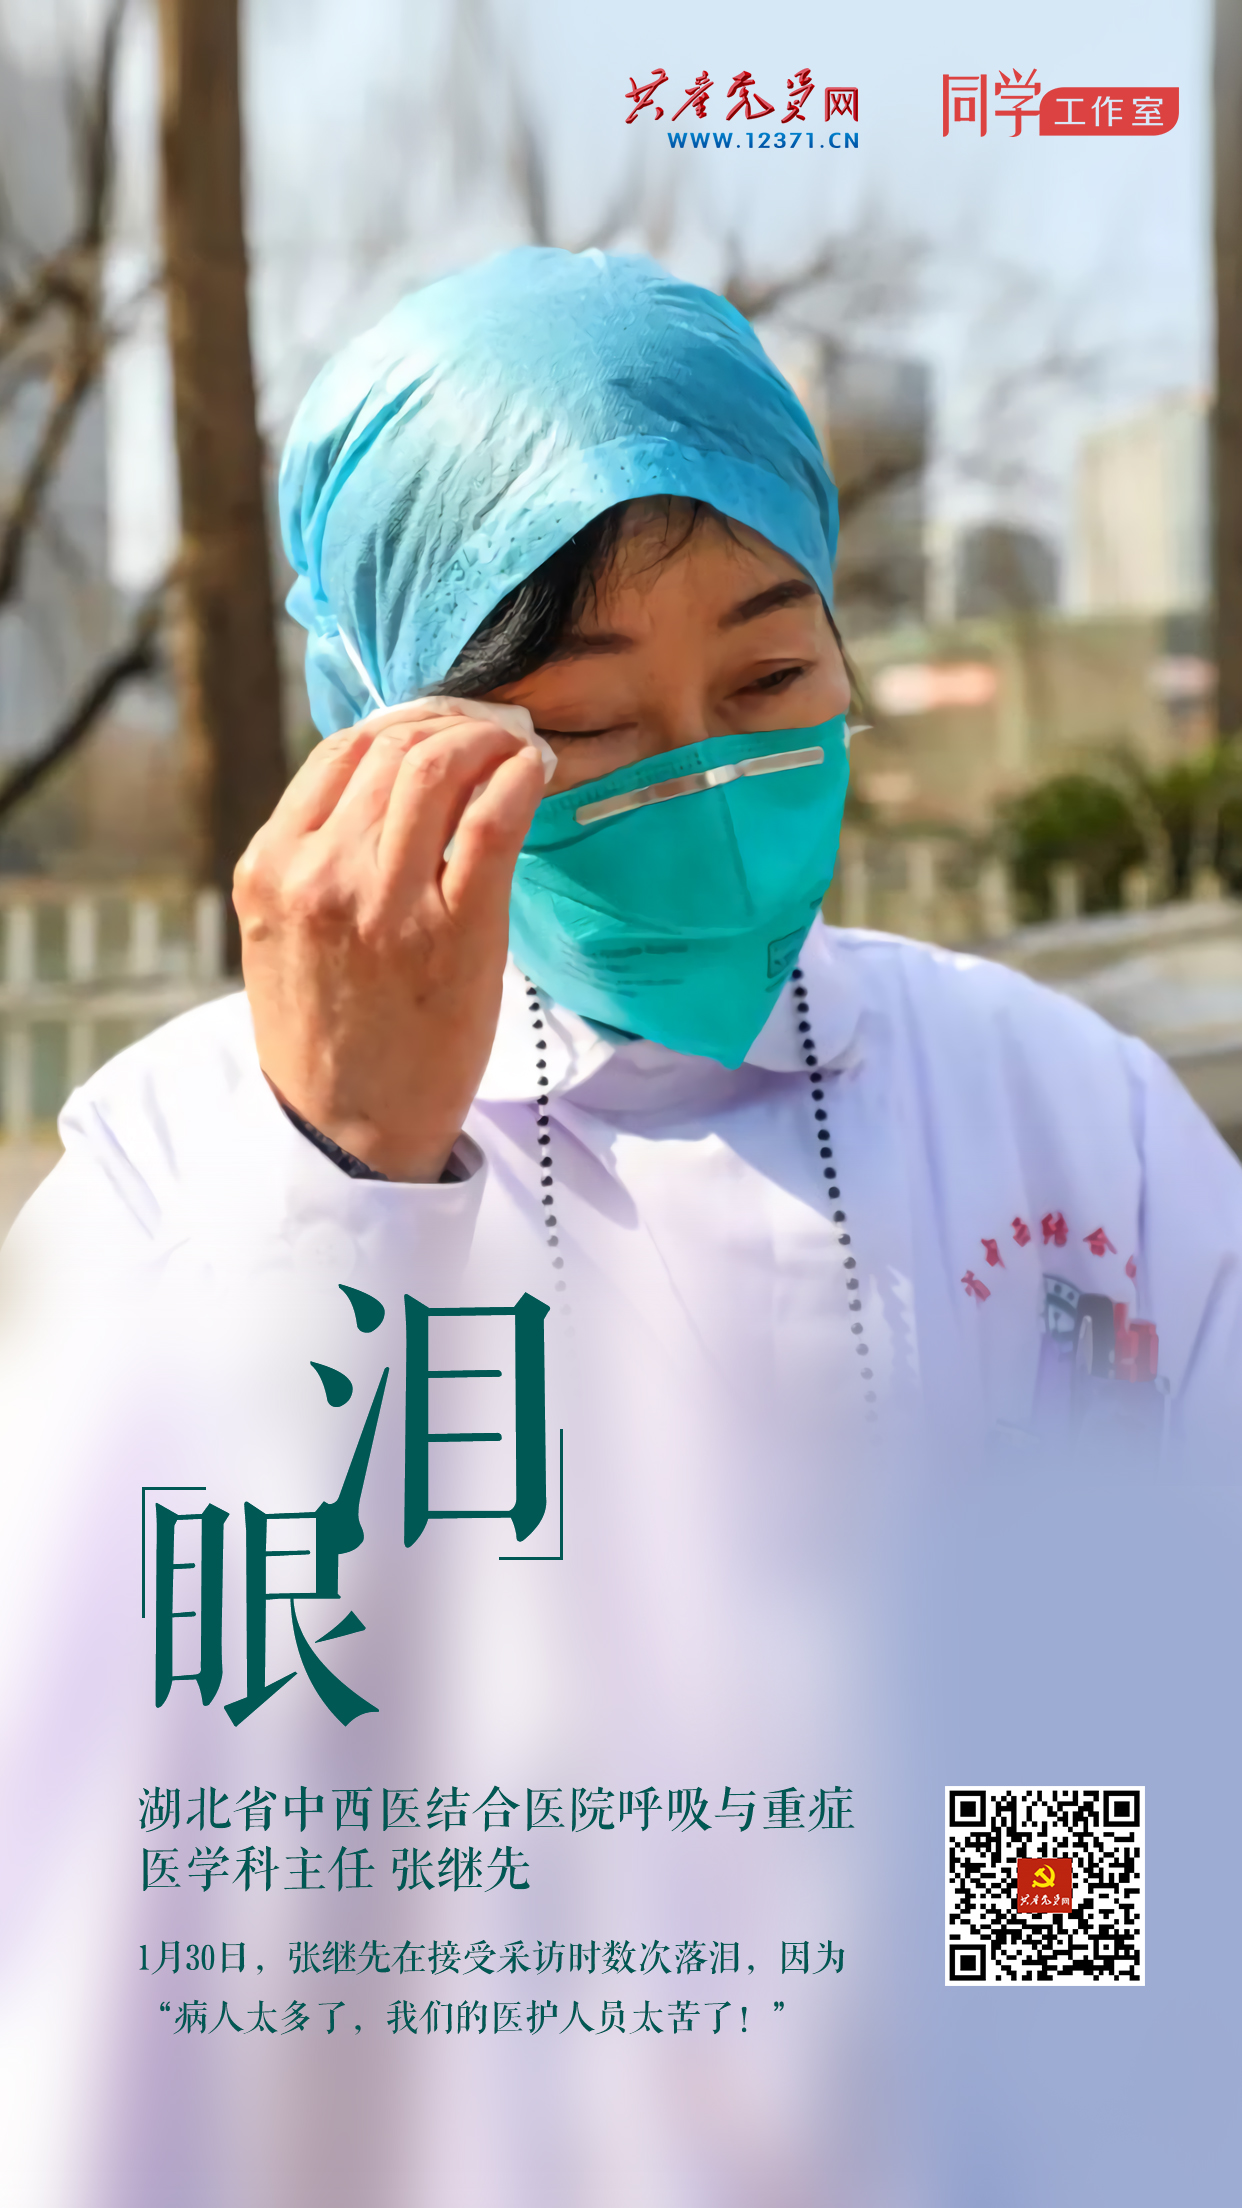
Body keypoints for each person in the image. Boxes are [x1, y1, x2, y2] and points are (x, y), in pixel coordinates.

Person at [2, 246, 1241, 2207]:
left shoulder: (1063, 1123)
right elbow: (132, 1870)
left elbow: (1123, 1758)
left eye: (769, 683)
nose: (709, 780)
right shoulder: (180, 1174)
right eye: (581, 727)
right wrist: (345, 1182)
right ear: (378, 735)